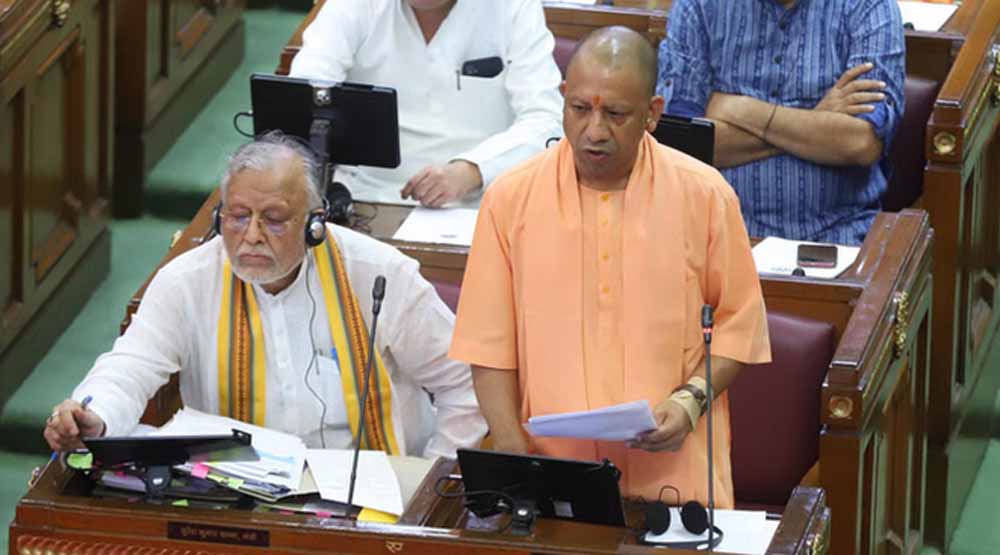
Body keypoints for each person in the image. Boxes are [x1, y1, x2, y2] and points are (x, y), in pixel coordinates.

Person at [449, 27, 771, 508]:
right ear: (562, 99)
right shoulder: (509, 199)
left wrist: (690, 401)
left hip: (674, 481)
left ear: (652, 113)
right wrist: (515, 462)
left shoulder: (705, 196)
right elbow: (488, 346)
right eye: (580, 109)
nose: (595, 130)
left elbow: (738, 327)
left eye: (616, 114)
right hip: (553, 476)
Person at [44, 132, 487, 459]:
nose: (251, 236)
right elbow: (129, 367)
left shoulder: (379, 274)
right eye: (237, 216)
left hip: (373, 498)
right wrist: (93, 413)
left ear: (315, 223)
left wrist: (432, 478)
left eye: (274, 219)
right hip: (239, 495)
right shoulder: (187, 282)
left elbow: (465, 383)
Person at [658, 0, 905, 245]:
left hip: (838, 235)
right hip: (715, 233)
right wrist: (815, 121)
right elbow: (682, 147)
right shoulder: (697, 6)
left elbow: (861, 143)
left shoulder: (869, 6)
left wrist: (740, 109)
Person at [289, 0, 563, 208]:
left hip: (482, 200)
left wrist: (472, 170)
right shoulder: (352, 6)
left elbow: (547, 120)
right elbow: (300, 97)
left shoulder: (514, 7)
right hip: (364, 199)